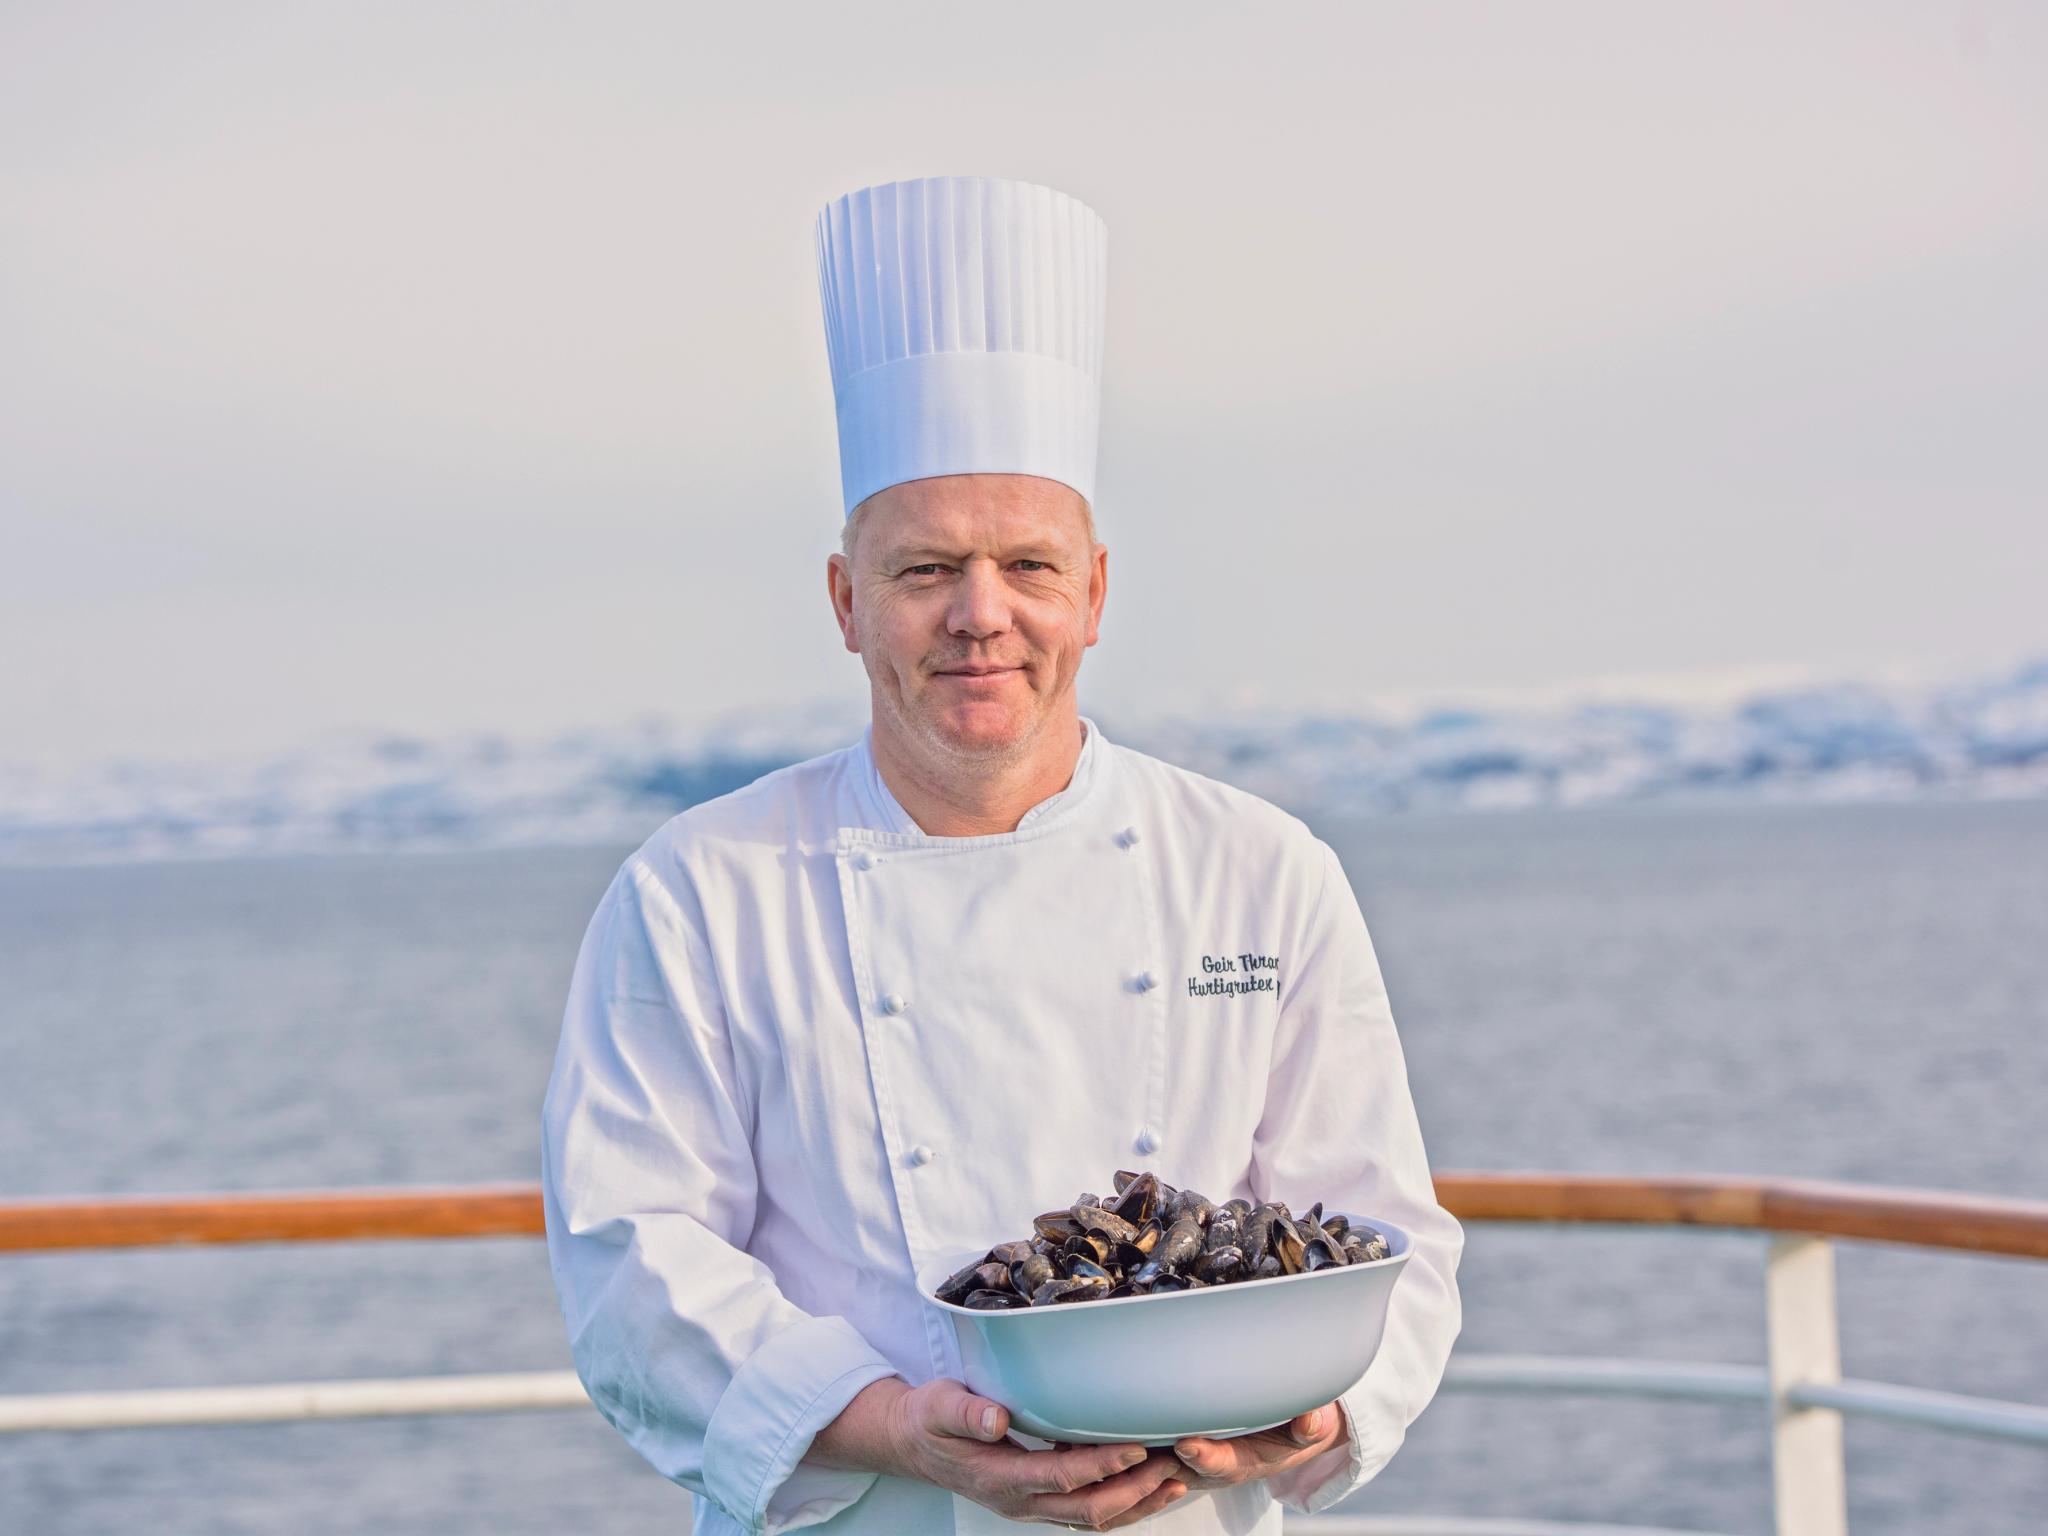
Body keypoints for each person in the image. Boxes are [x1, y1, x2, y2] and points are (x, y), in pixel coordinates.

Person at [540, 175, 1463, 1536]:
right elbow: (635, 1263)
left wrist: (1309, 1411)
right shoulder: (700, 890)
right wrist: (896, 1428)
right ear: (846, 602)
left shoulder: (1262, 870)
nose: (982, 616)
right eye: (925, 570)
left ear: (1094, 592)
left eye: (1029, 566)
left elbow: (1385, 1233)